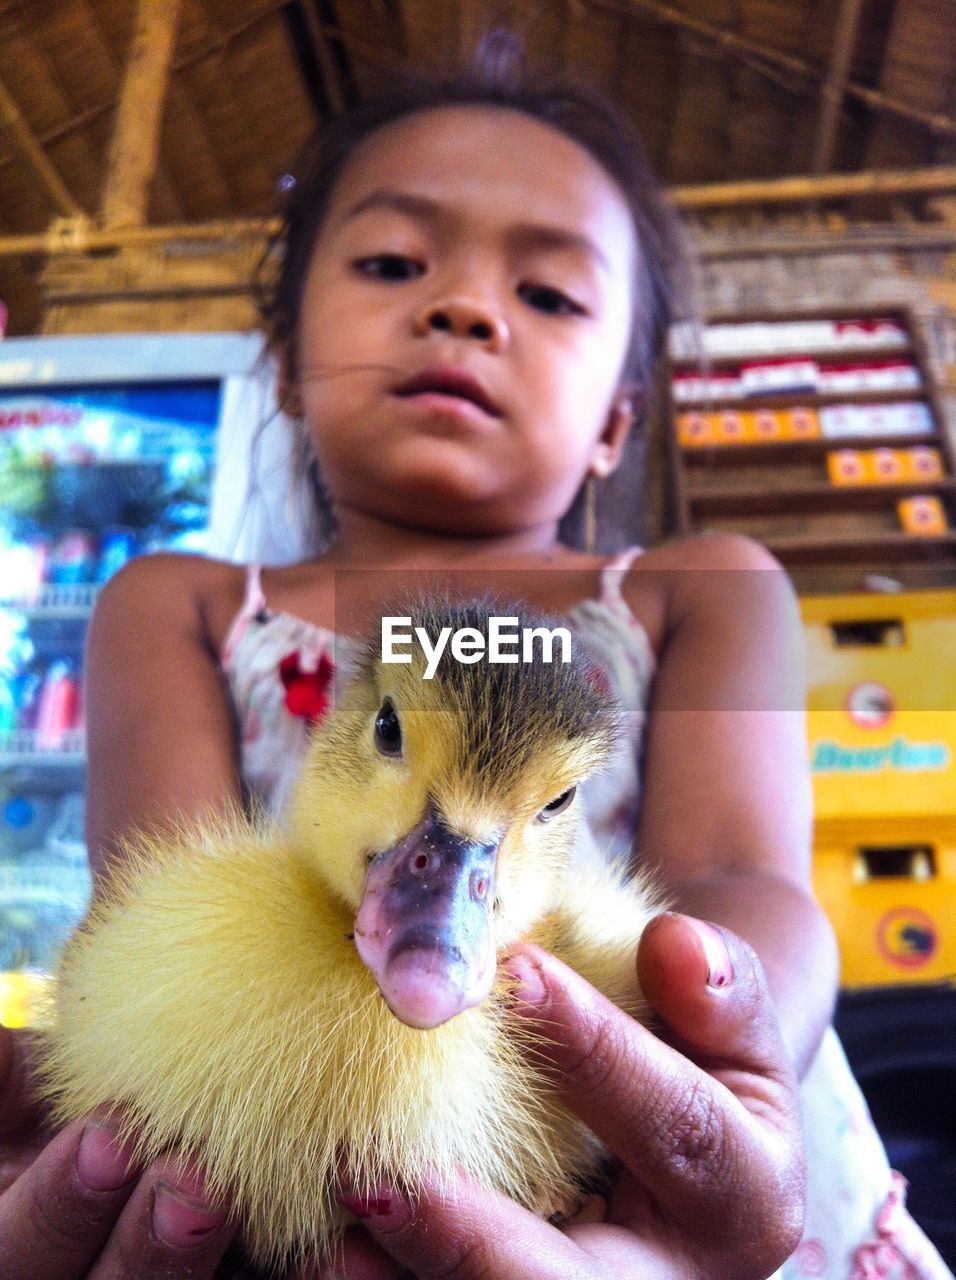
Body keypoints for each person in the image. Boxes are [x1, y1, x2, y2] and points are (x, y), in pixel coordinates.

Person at [1, 35, 950, 1280]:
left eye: (549, 293)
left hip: (688, 1184)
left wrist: (683, 1065)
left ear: (614, 419)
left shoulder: (694, 584)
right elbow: (157, 904)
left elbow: (737, 874)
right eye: (394, 262)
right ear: (284, 361)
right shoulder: (177, 601)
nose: (462, 308)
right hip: (289, 1169)